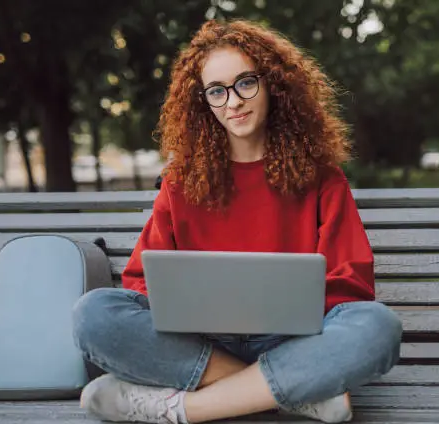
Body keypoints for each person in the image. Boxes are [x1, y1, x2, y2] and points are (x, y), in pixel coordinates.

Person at [72, 19, 402, 424]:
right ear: (203, 102)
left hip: (295, 340)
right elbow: (140, 280)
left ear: (273, 84)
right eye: (217, 91)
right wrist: (179, 306)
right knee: (93, 314)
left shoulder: (322, 176)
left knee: (378, 327)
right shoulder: (180, 181)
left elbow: (352, 282)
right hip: (199, 342)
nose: (233, 101)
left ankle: (179, 408)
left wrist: (298, 312)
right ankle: (291, 392)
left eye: (246, 82)